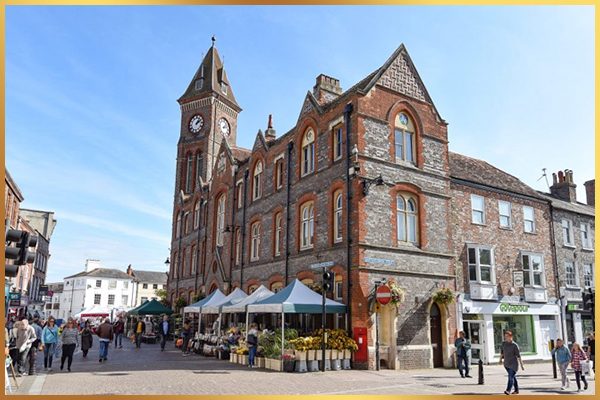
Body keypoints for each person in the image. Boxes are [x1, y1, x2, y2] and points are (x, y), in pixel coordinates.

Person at [499, 330, 524, 395]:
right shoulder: (504, 343)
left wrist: (522, 365)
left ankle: (508, 390)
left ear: (511, 337)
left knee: (510, 377)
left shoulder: (514, 345)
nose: (506, 338)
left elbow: (518, 356)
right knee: (513, 377)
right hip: (506, 364)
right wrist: (500, 360)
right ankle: (516, 390)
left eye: (507, 336)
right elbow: (502, 352)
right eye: (505, 336)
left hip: (513, 364)